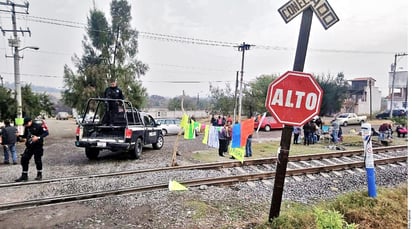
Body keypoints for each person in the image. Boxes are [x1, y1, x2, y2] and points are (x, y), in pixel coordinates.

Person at [15, 117, 49, 182]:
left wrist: (38, 137)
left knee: (38, 160)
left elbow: (46, 133)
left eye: (27, 123)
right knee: (24, 159)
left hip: (38, 146)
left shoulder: (38, 126)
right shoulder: (27, 127)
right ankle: (24, 175)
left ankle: (39, 174)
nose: (26, 125)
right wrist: (19, 136)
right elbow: (25, 136)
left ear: (30, 121)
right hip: (29, 146)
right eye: (25, 124)